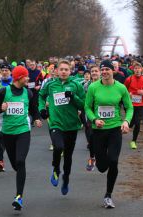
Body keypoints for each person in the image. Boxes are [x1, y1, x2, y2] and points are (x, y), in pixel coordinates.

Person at [0, 65, 42, 211]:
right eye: (26, 76)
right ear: (19, 77)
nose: (28, 78)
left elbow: (34, 109)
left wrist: (37, 118)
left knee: (20, 161)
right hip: (7, 133)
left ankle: (19, 196)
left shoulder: (28, 93)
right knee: (15, 164)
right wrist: (0, 108)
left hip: (23, 131)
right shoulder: (3, 91)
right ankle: (18, 174)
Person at [85, 59, 133, 208]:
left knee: (113, 161)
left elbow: (129, 108)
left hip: (115, 130)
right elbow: (87, 107)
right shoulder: (93, 87)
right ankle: (97, 161)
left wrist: (126, 121)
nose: (105, 72)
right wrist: (94, 119)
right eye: (102, 69)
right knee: (102, 167)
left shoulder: (121, 88)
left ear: (113, 71)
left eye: (107, 69)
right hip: (98, 131)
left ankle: (108, 195)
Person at [39, 59, 85, 196]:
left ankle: (66, 179)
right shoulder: (51, 85)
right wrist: (42, 109)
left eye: (66, 69)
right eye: (61, 69)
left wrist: (74, 97)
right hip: (56, 123)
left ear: (70, 71)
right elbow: (41, 96)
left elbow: (83, 104)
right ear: (57, 71)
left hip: (71, 125)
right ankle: (55, 168)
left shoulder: (76, 85)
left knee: (69, 156)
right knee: (58, 147)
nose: (64, 72)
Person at [124, 62, 143, 149]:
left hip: (141, 104)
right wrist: (128, 94)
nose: (137, 70)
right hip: (130, 105)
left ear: (141, 69)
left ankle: (133, 141)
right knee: (131, 122)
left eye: (139, 68)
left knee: (137, 123)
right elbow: (123, 90)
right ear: (133, 70)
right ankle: (126, 126)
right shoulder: (129, 79)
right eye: (135, 68)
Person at [0, 63, 13, 172]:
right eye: (3, 70)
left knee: (10, 138)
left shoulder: (15, 83)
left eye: (6, 70)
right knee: (0, 137)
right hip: (0, 114)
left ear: (10, 72)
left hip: (13, 115)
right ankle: (0, 160)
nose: (4, 72)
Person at [85, 65, 101, 171]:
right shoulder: (86, 85)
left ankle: (101, 155)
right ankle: (92, 157)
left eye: (96, 71)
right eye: (92, 71)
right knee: (90, 136)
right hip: (90, 113)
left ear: (100, 72)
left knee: (101, 136)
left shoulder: (104, 84)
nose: (94, 73)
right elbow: (83, 97)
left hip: (102, 113)